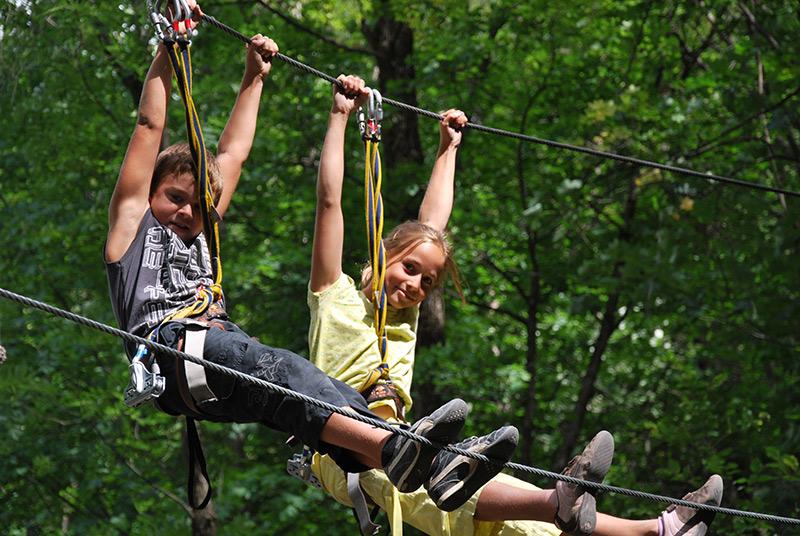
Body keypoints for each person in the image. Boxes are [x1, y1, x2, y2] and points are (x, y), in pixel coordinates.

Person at [104, 5, 516, 513]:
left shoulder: (203, 229)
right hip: (171, 350)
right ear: (150, 194)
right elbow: (150, 124)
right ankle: (397, 450)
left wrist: (254, 77)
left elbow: (231, 155)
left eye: (199, 203)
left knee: (307, 395)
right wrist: (169, 46)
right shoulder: (133, 224)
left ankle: (425, 463)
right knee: (281, 370)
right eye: (174, 198)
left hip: (215, 360)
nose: (188, 211)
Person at [306, 74, 724, 536]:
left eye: (428, 281)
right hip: (344, 448)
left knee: (501, 506)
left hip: (404, 443)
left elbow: (433, 228)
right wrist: (339, 116)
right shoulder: (334, 294)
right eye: (409, 270)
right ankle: (562, 501)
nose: (417, 285)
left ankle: (658, 530)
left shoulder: (402, 318)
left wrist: (448, 149)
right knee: (448, 487)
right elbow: (330, 204)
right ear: (385, 252)